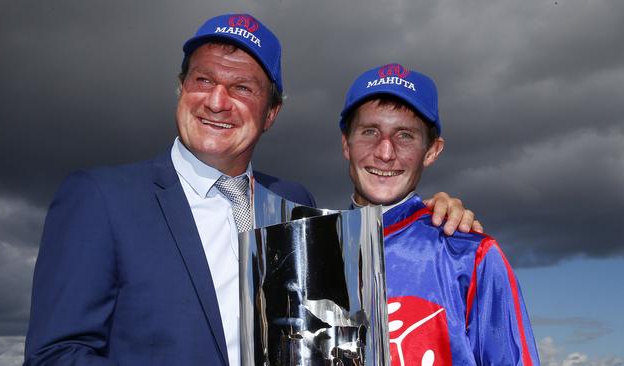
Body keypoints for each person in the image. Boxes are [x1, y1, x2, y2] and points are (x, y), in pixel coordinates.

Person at [24, 14, 479, 366]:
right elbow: (56, 354)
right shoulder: (100, 199)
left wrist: (433, 216)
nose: (217, 100)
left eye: (242, 87)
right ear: (181, 88)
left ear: (271, 113)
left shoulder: (294, 202)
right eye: (204, 80)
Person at [339, 63, 540, 365]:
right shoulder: (309, 251)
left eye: (404, 136)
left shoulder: (471, 253)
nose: (385, 152)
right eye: (370, 131)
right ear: (346, 144)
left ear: (432, 151)